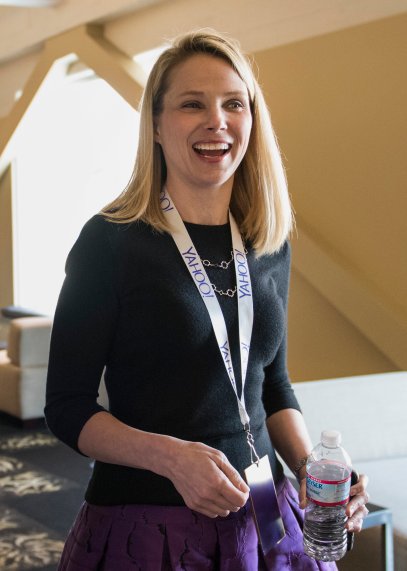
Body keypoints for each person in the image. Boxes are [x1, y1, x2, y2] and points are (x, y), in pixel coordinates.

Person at [45, 30, 369, 571]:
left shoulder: (268, 241)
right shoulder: (110, 241)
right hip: (149, 524)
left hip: (266, 512)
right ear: (155, 122)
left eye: (233, 103)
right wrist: (168, 456)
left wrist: (312, 466)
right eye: (192, 103)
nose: (216, 120)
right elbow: (66, 407)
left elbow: (272, 384)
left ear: (251, 119)